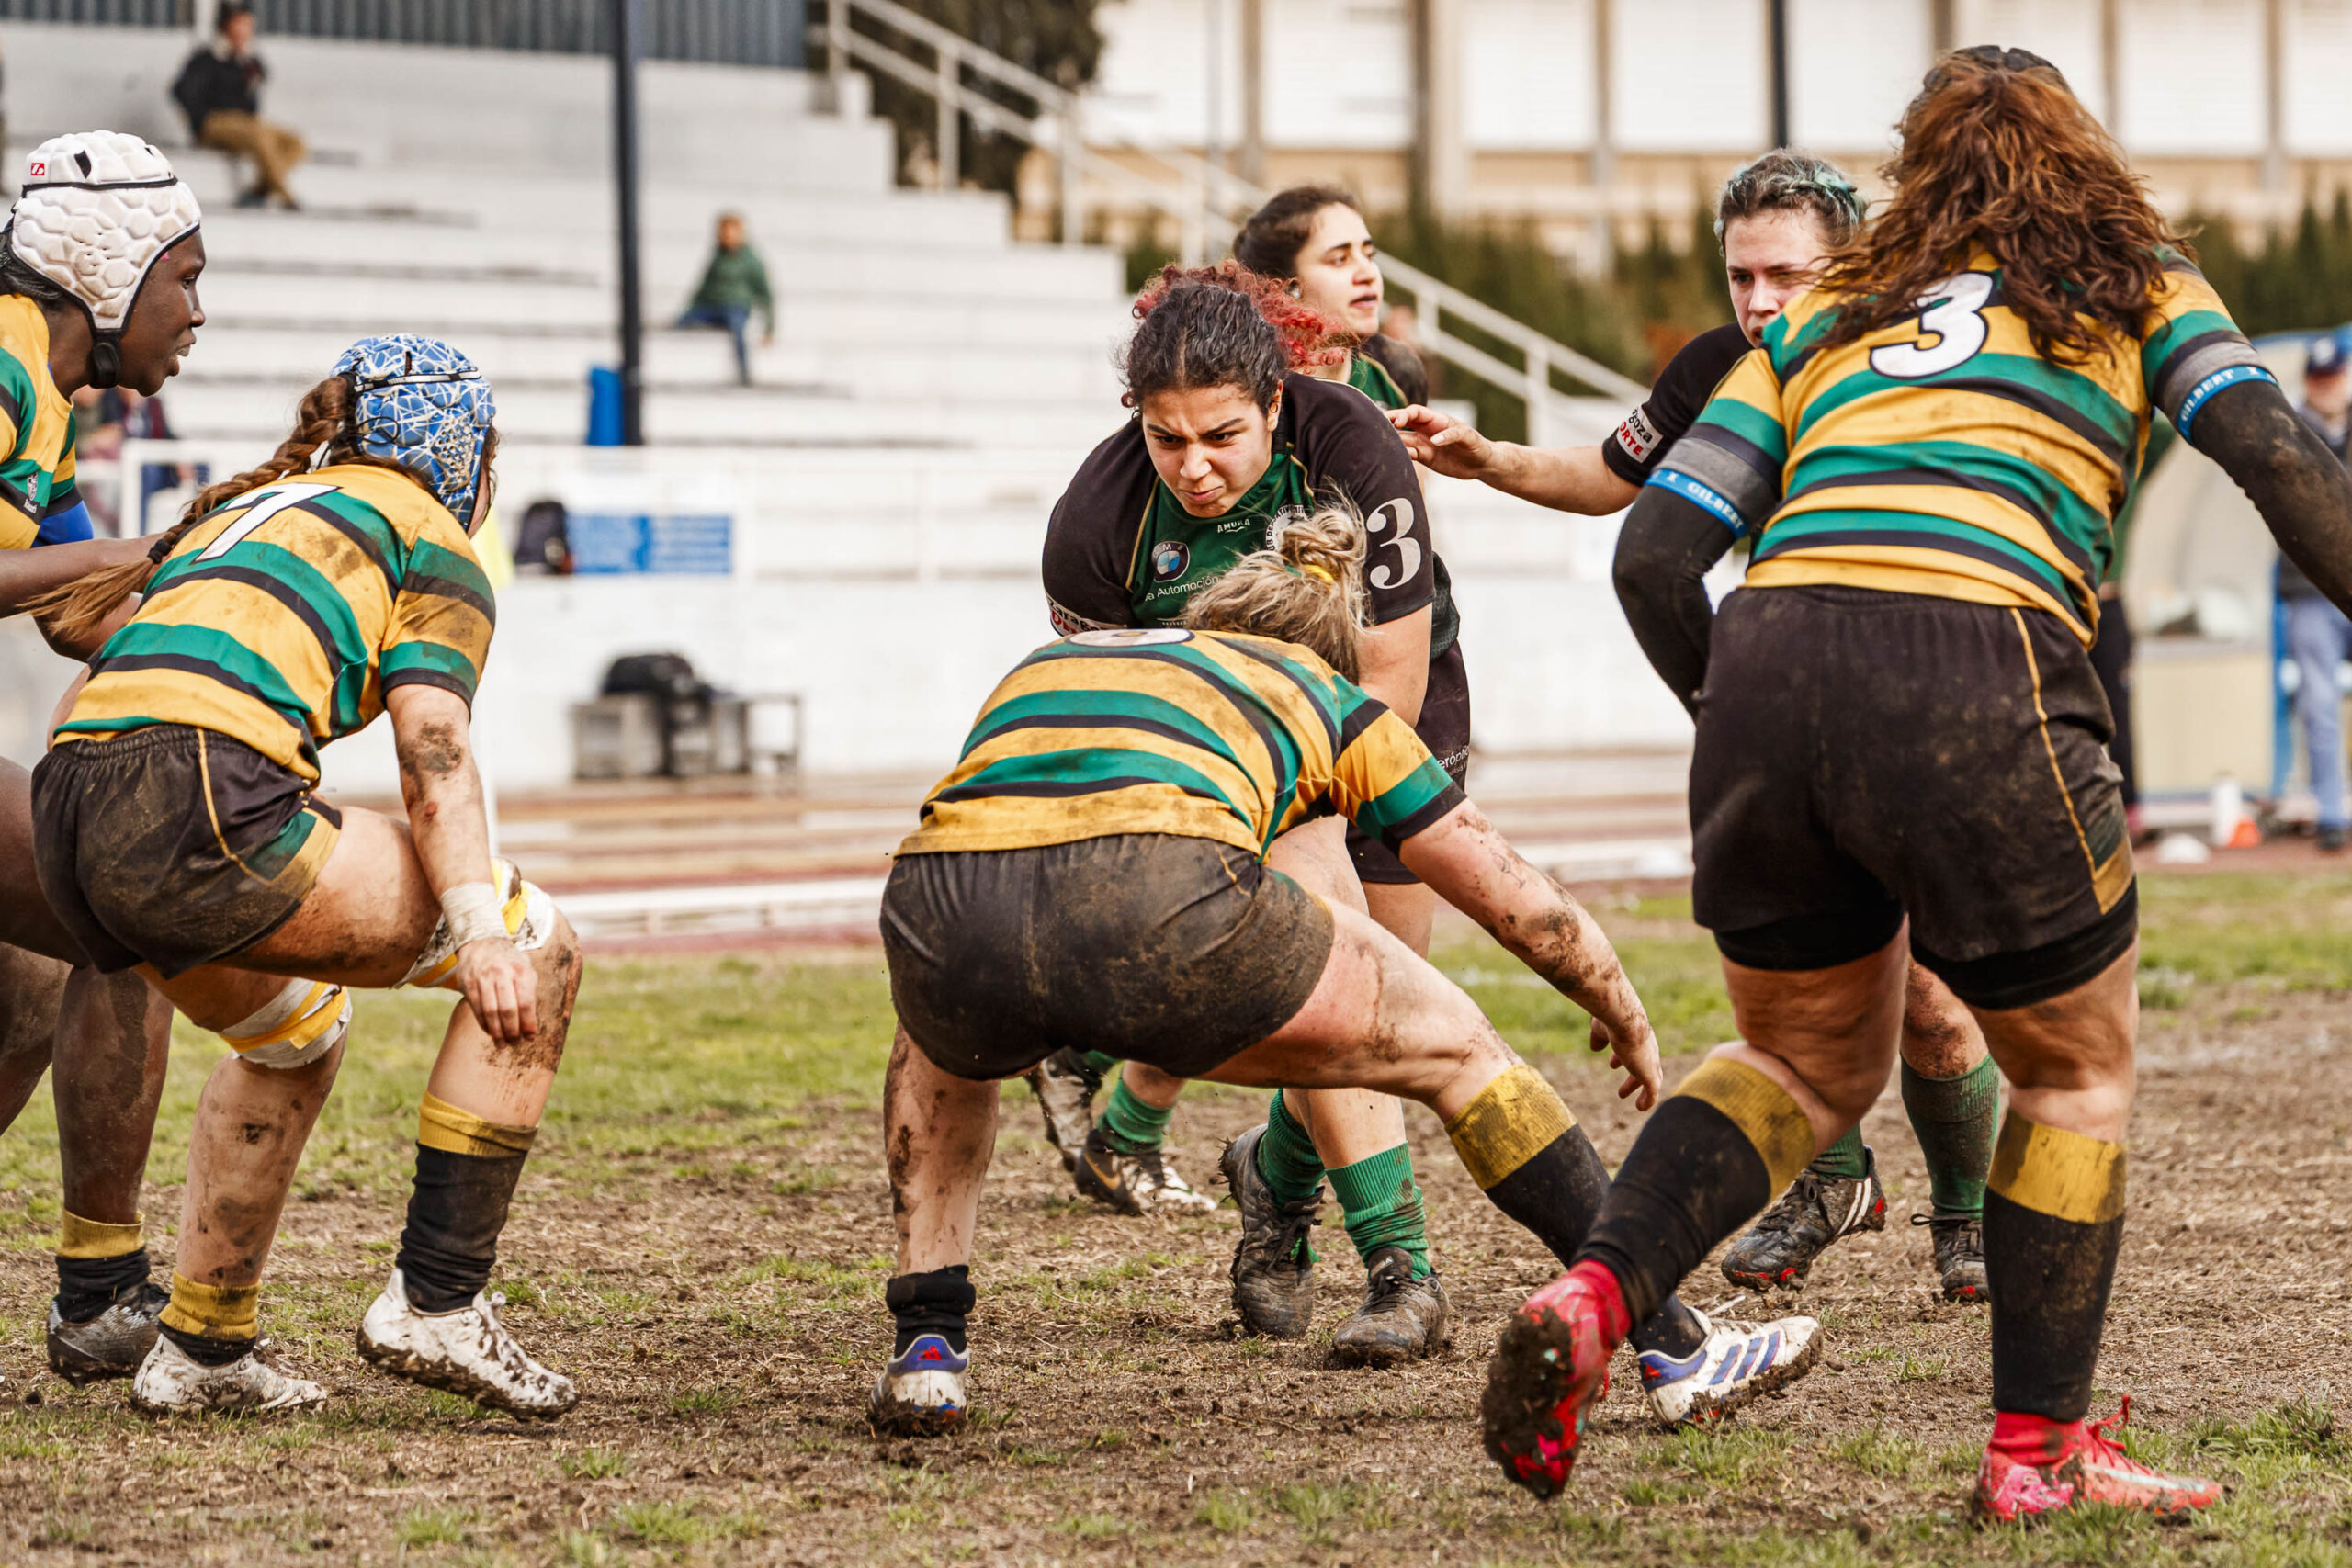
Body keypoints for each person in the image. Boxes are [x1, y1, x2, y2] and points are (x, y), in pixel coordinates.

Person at [1479, 48, 2352, 1523]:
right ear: (2084, 154)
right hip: (1979, 648)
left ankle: (1596, 1293)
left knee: (1806, 1066)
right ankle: (2036, 1450)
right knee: (2071, 1069)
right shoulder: (2135, 276)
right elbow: (2276, 454)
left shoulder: (1830, 308)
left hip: (1770, 653)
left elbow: (1651, 553)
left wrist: (1741, 722)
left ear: (1912, 174)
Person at [872, 500, 1818, 1435]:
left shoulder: (1063, 658)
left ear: (1204, 621)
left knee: (936, 1048)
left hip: (939, 907)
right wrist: (1619, 1005)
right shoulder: (1324, 693)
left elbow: (996, 824)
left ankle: (927, 1351)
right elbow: (1505, 888)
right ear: (1335, 651)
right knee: (1461, 1054)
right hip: (1159, 890)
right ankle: (1676, 1347)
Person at [1396, 152, 2000, 1304]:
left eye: (1787, 275)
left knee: (1923, 986)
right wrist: (1490, 461)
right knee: (1797, 972)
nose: (1761, 302)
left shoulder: (1919, 363)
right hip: (1778, 703)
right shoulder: (1722, 367)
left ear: (1858, 262)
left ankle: (1963, 1221)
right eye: (1741, 277)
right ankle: (1836, 1179)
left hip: (1912, 688)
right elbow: (1616, 475)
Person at [29, 334, 584, 1417]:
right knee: (539, 945)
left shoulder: (248, 511)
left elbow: (86, 641)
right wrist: (478, 926)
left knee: (292, 1037)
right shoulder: (428, 535)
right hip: (193, 797)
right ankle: (438, 1301)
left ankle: (202, 1350)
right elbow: (433, 746)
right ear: (461, 447)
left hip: (65, 808)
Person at [1040, 265, 1464, 1364]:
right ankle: (1399, 1269)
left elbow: (1391, 681)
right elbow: (1117, 723)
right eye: (1165, 438)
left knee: (1380, 989)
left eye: (1222, 436)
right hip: (1212, 750)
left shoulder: (1353, 446)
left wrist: (1312, 815)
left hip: (1375, 700)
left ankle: (1269, 1179)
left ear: (1276, 403)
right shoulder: (1092, 526)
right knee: (1334, 971)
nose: (1194, 467)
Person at [0, 132, 206, 1389]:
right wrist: (126, 552)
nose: (198, 314)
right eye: (185, 276)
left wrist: (246, 598)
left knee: (35, 969)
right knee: (118, 902)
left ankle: (98, 1292)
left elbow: (85, 611)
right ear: (112, 272)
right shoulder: (4, 361)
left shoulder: (43, 389)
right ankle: (101, 1293)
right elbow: (82, 573)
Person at [2282, 330, 2352, 850]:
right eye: (2319, 378)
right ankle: (2331, 812)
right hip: (2309, 588)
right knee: (2319, 702)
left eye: (2333, 377)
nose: (2326, 387)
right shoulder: (2284, 429)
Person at [172, 5, 305, 211]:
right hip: (215, 121)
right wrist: (200, 121)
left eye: (249, 25)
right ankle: (286, 195)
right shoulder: (208, 57)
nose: (246, 30)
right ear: (227, 26)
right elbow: (182, 90)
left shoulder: (248, 61)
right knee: (260, 137)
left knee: (294, 142)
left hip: (244, 124)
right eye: (241, 24)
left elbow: (254, 97)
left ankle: (260, 190)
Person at [676, 213, 775, 387]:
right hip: (712, 306)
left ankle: (744, 374)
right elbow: (705, 287)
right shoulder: (717, 258)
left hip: (736, 308)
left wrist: (769, 328)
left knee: (738, 331)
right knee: (683, 322)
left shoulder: (751, 261)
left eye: (732, 232)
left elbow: (765, 294)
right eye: (724, 232)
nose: (728, 237)